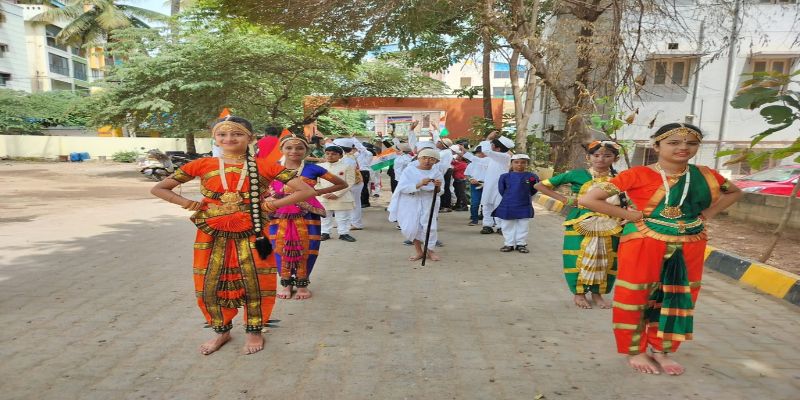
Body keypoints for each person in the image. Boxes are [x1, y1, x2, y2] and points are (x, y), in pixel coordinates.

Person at [579, 123, 742, 376]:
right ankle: (635, 350)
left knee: (678, 296)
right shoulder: (637, 174)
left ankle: (662, 349)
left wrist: (707, 214)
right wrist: (630, 215)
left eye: (691, 143)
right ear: (656, 146)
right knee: (636, 296)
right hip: (643, 240)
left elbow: (734, 192)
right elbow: (589, 199)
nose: (683, 147)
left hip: (690, 241)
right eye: (673, 142)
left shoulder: (706, 174)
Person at [150, 116, 316, 355]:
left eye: (236, 134)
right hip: (211, 233)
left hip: (253, 231)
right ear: (215, 138)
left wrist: (269, 206)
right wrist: (188, 203)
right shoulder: (202, 164)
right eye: (222, 134)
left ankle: (254, 331)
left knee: (255, 280)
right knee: (210, 281)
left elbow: (305, 190)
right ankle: (221, 331)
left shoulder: (265, 166)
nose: (229, 139)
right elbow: (159, 188)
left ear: (251, 138)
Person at [534, 141, 625, 309]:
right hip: (580, 221)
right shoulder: (576, 174)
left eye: (607, 156)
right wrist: (565, 200)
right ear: (588, 157)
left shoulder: (621, 178)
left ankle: (597, 294)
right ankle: (579, 293)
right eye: (596, 155)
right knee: (578, 257)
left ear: (616, 158)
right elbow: (539, 185)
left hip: (611, 223)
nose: (601, 159)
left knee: (605, 258)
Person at [267, 135, 347, 300]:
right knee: (279, 247)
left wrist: (316, 192)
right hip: (279, 213)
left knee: (308, 247)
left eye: (299, 148)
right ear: (281, 150)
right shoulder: (272, 167)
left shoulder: (314, 169)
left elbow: (342, 184)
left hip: (308, 213)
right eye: (289, 148)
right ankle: (286, 283)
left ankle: (303, 284)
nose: (294, 151)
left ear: (306, 151)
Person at [388, 148, 445, 262]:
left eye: (431, 159)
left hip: (429, 201)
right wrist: (420, 184)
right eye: (424, 158)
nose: (427, 161)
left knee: (429, 226)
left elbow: (441, 191)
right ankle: (419, 251)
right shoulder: (409, 171)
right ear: (419, 158)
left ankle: (430, 250)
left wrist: (438, 187)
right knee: (411, 226)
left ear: (436, 161)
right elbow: (402, 188)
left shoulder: (437, 173)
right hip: (410, 201)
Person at [460, 130, 513, 234]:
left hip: (499, 187)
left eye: (492, 144)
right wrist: (465, 153)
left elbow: (486, 151)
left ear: (498, 148)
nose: (490, 145)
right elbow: (477, 160)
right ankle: (487, 225)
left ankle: (500, 226)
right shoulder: (492, 159)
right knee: (487, 205)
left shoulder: (504, 157)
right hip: (489, 186)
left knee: (498, 206)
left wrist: (488, 139)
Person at [492, 154, 539, 253]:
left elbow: (534, 189)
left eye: (523, 162)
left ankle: (521, 244)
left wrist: (525, 196)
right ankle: (508, 244)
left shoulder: (532, 176)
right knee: (507, 224)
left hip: (524, 204)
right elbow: (502, 190)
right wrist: (510, 197)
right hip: (508, 204)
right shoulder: (504, 176)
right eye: (516, 162)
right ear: (511, 164)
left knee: (523, 224)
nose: (519, 164)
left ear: (526, 164)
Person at [317, 145, 358, 242]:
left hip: (342, 196)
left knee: (343, 216)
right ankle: (324, 233)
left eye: (333, 154)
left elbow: (350, 182)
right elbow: (316, 182)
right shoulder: (320, 167)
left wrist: (336, 194)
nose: (330, 156)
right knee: (324, 216)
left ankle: (344, 233)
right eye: (327, 154)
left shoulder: (347, 166)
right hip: (324, 196)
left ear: (340, 156)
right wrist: (323, 193)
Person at [464, 146, 488, 226]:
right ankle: (474, 219)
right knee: (475, 202)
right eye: (478, 153)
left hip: (487, 184)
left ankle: (488, 220)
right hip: (475, 184)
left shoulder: (490, 163)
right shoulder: (471, 164)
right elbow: (467, 174)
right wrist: (471, 179)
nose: (480, 154)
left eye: (482, 152)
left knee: (487, 203)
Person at [435, 138, 455, 212]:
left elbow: (443, 165)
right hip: (443, 171)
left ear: (443, 145)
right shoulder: (443, 151)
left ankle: (446, 206)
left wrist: (440, 174)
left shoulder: (445, 153)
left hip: (444, 171)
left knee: (445, 188)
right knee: (445, 187)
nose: (437, 142)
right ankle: (444, 205)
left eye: (439, 142)